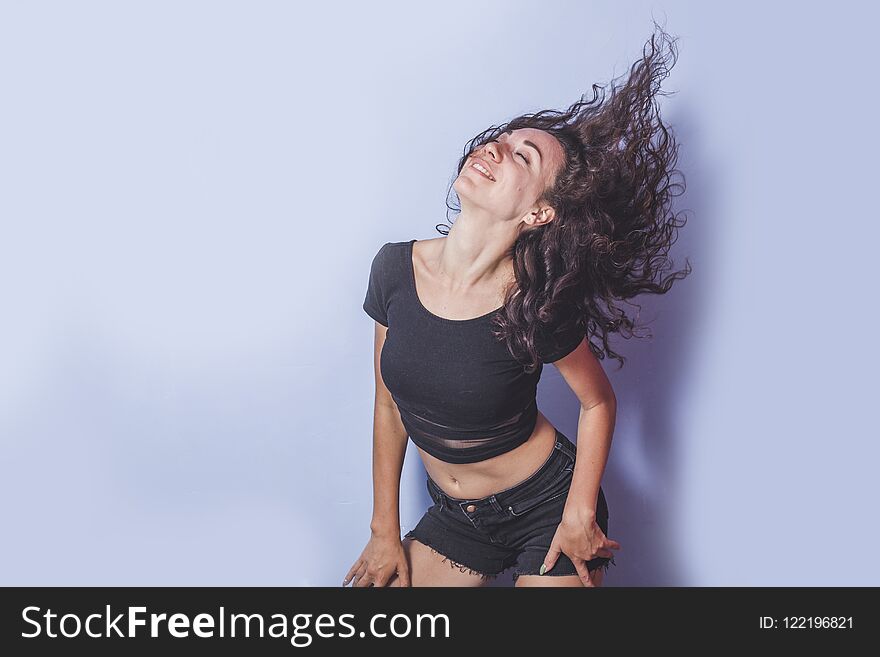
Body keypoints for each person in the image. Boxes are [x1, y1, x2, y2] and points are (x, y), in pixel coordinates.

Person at [344, 24, 690, 587]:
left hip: (547, 508)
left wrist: (579, 512)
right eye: (500, 140)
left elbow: (597, 402)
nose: (495, 149)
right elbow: (388, 407)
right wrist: (385, 530)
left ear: (539, 214)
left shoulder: (534, 304)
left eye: (522, 158)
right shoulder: (394, 270)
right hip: (458, 519)